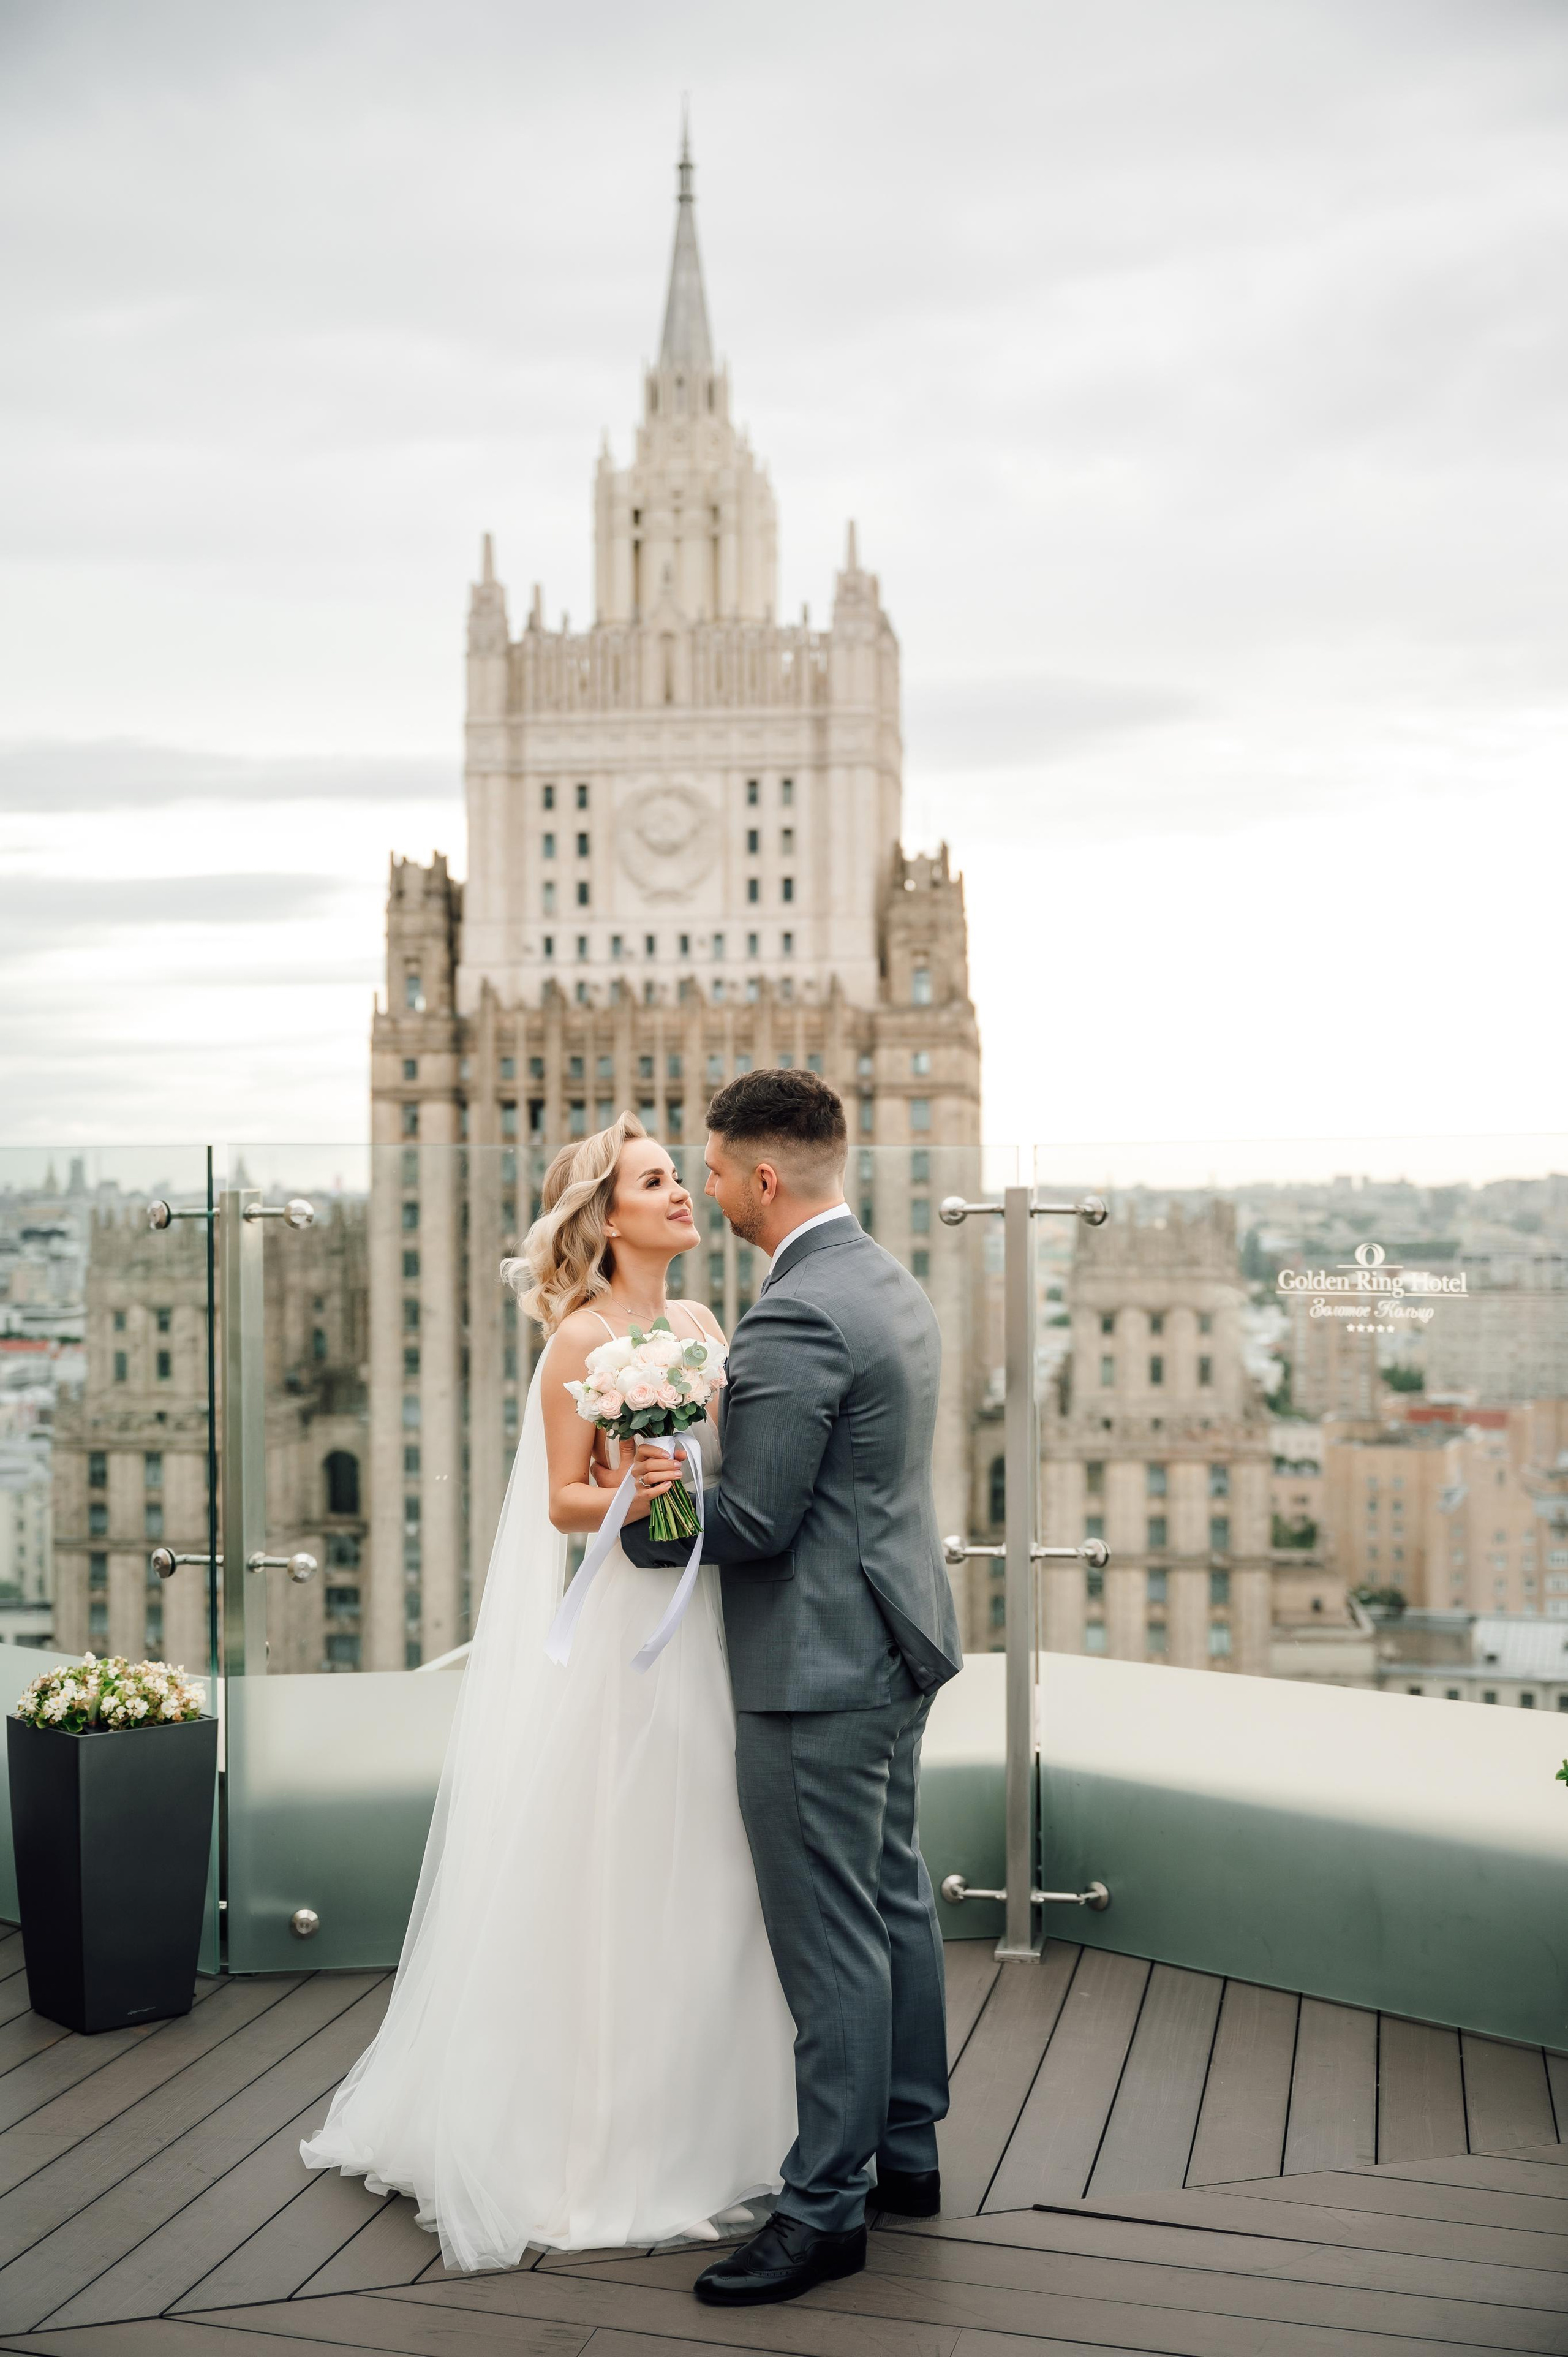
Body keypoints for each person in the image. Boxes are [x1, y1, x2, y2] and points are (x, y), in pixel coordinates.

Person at [299, 1113, 796, 2270]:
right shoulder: (578, 1340)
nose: (683, 1193)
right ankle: (594, 2148)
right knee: (619, 1863)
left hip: (709, 1616)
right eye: (657, 1181)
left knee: (716, 1861)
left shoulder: (702, 1322)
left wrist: (692, 1475)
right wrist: (639, 1485)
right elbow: (565, 1502)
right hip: (631, 1622)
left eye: (683, 1177)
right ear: (606, 1215)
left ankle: (717, 2126)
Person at [622, 1067, 962, 2309]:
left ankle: (822, 2211)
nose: (703, 1188)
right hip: (894, 1638)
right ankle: (907, 2150)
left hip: (817, 1667)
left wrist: (643, 1513)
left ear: (762, 1178)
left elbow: (754, 1519)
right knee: (889, 1899)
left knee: (828, 1944)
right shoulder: (882, 1278)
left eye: (710, 1170)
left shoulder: (795, 1315)